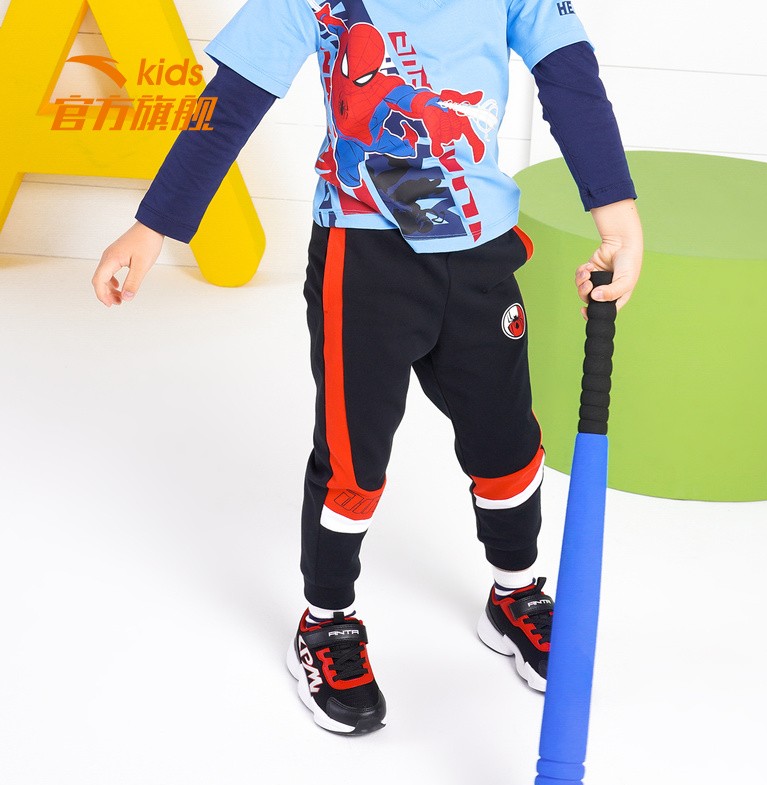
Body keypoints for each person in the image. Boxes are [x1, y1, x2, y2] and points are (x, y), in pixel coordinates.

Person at [92, 0, 643, 736]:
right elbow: (231, 99)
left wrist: (617, 217)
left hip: (479, 253)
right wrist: (154, 223)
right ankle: (326, 620)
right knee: (353, 459)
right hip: (364, 261)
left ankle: (514, 592)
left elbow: (568, 74)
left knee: (508, 442)